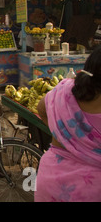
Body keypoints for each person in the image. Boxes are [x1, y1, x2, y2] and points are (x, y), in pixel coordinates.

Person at [35, 46, 101, 202]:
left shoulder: (63, 91)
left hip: (50, 179)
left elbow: (41, 109)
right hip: (88, 189)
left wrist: (64, 136)